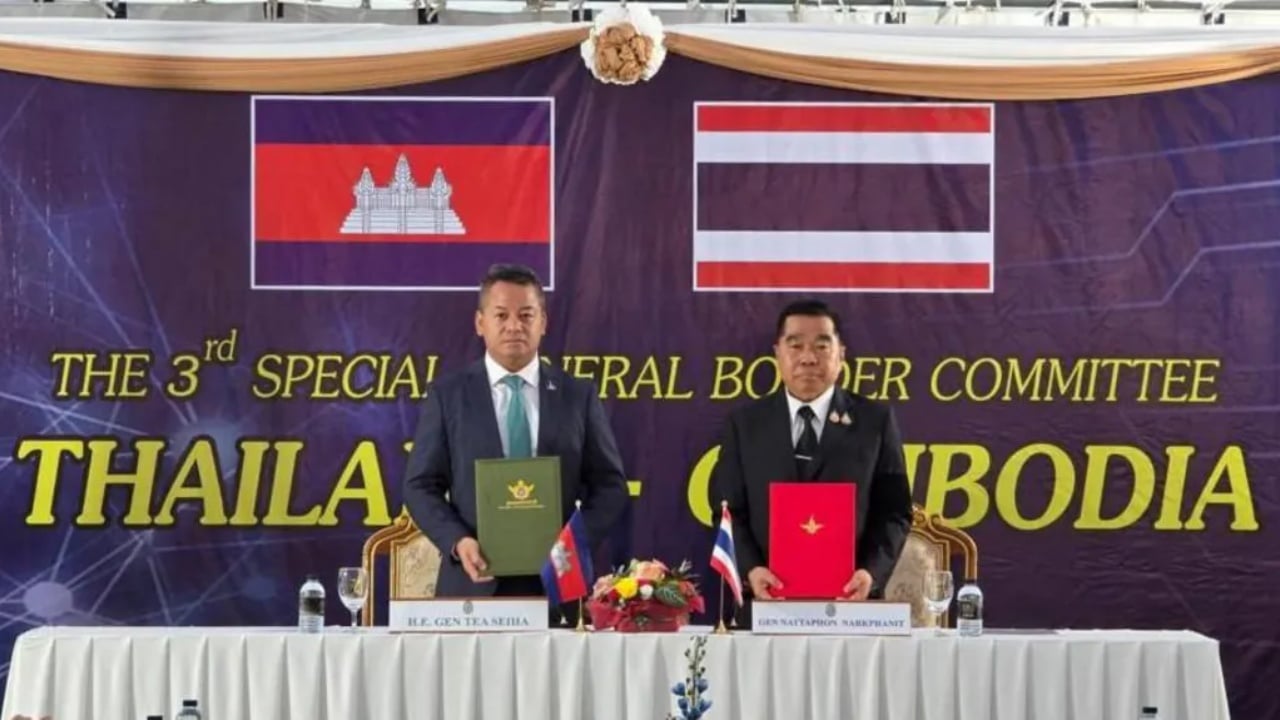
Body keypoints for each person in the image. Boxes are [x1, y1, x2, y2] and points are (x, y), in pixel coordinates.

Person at [402, 263, 629, 603]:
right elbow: (419, 485)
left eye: (526, 315)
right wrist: (458, 541)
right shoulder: (447, 396)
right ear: (480, 323)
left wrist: (573, 543)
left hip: (560, 583)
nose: (514, 326)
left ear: (543, 322)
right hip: (473, 585)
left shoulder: (577, 396)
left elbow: (610, 486)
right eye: (501, 315)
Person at [713, 299, 913, 607]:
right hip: (766, 603)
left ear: (841, 354)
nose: (808, 358)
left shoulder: (875, 422)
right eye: (795, 346)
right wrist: (751, 569)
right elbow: (728, 511)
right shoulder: (745, 424)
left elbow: (894, 512)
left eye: (821, 346)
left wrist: (870, 573)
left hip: (851, 604)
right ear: (777, 353)